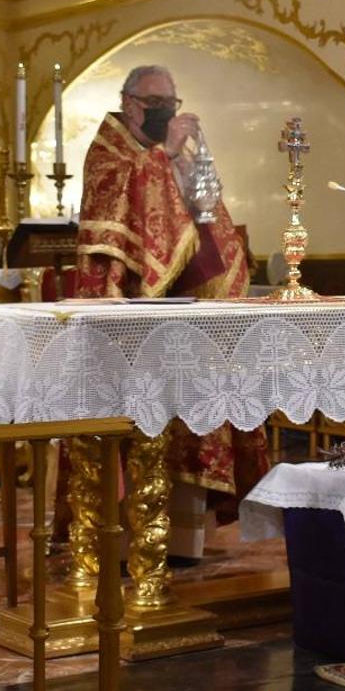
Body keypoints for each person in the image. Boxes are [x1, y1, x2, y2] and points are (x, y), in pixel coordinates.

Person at [74, 65, 269, 560]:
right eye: (157, 102)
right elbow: (117, 207)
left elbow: (207, 211)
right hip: (129, 311)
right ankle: (117, 543)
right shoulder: (108, 149)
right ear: (132, 102)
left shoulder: (175, 148)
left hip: (183, 314)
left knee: (193, 418)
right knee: (132, 424)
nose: (167, 112)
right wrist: (162, 157)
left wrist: (194, 162)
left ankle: (185, 541)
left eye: (172, 103)